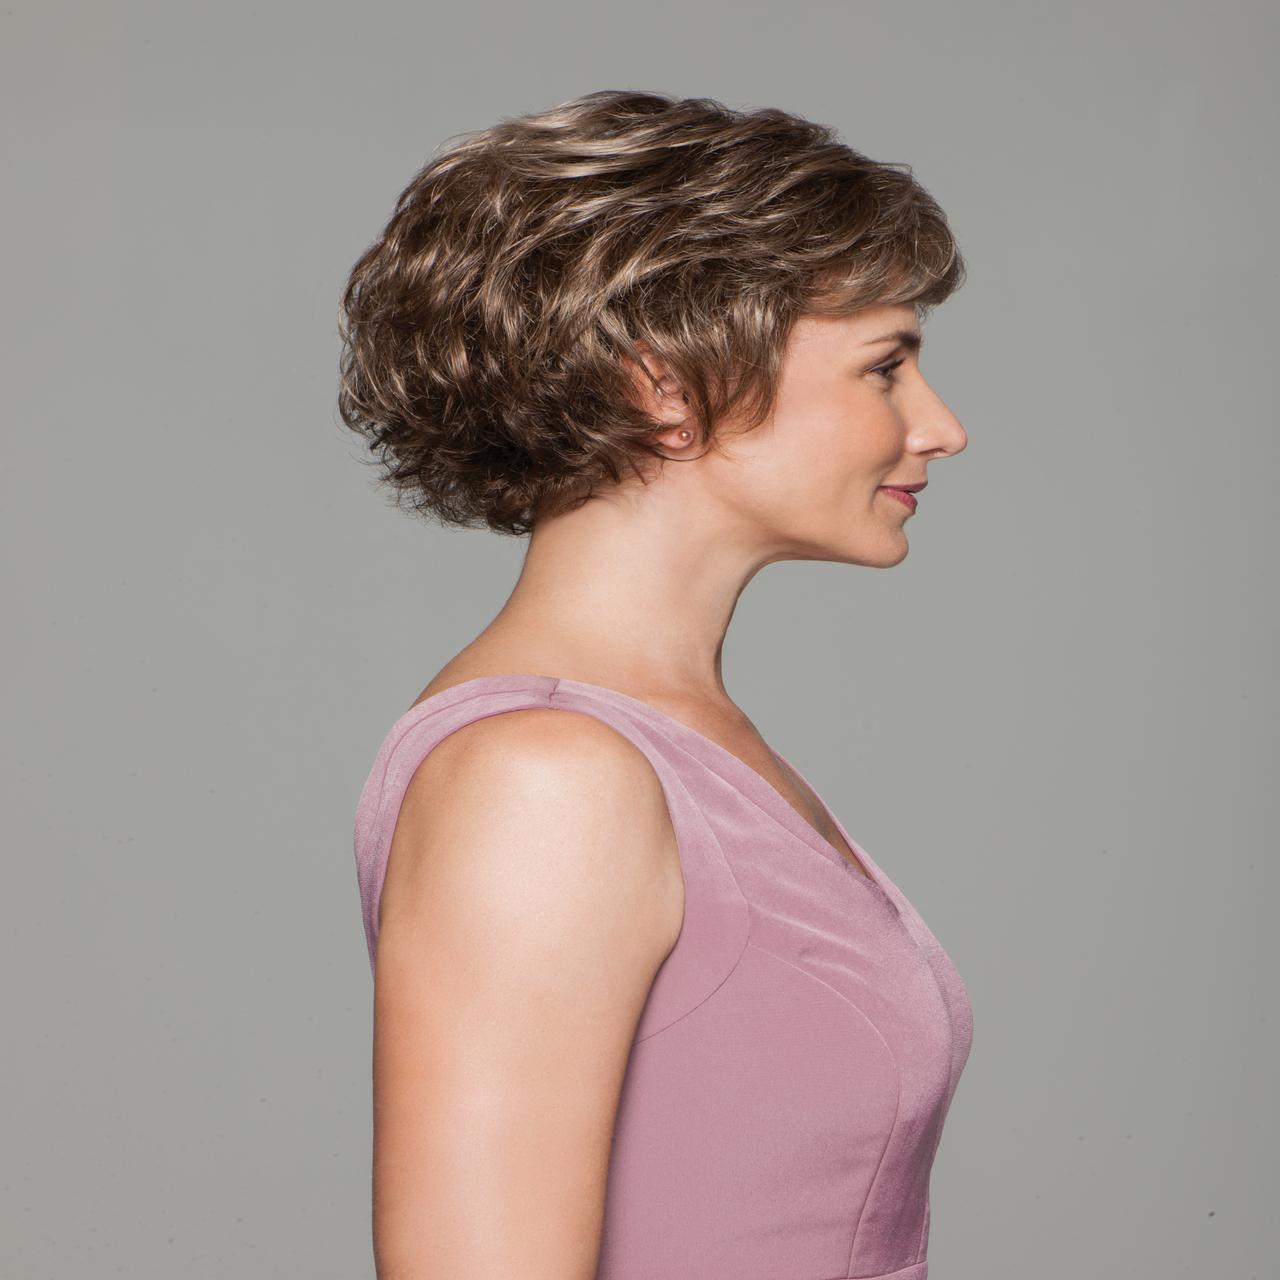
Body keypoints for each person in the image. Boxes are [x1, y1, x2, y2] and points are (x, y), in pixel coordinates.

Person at [338, 89, 972, 1280]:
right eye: (884, 366)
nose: (940, 427)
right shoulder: (539, 779)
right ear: (666, 386)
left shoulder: (680, 745)